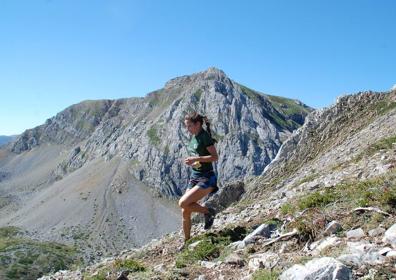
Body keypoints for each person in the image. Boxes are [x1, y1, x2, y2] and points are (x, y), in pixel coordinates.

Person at [178, 112, 219, 250]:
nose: (187, 129)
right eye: (186, 126)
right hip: (195, 176)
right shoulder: (195, 137)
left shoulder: (204, 137)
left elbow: (214, 157)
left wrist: (196, 159)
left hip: (207, 177)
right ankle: (187, 241)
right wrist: (193, 161)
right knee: (185, 210)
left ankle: (208, 212)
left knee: (183, 203)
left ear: (197, 124)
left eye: (189, 126)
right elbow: (198, 154)